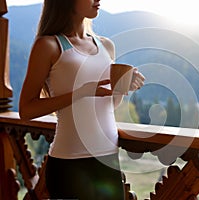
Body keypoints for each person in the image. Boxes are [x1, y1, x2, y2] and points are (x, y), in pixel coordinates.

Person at [19, 0, 145, 199]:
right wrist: (82, 92)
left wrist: (123, 86)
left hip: (108, 160)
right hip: (69, 164)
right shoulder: (49, 45)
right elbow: (26, 110)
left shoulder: (106, 46)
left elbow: (109, 105)